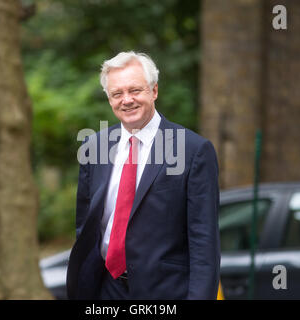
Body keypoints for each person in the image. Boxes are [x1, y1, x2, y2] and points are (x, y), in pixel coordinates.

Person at [66, 51, 220, 299]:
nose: (127, 100)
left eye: (135, 90)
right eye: (117, 94)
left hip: (166, 293)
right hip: (105, 289)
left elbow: (204, 242)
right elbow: (86, 227)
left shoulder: (192, 150)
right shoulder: (94, 147)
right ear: (109, 99)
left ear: (154, 91)